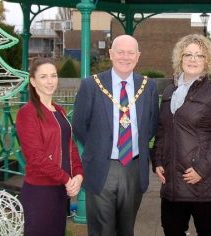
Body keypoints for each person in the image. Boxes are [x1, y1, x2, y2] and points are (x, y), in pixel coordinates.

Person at [72, 34, 159, 236]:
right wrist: (100, 146)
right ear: (111, 54)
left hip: (134, 168)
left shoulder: (148, 86)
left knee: (126, 228)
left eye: (130, 53)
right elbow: (79, 126)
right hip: (102, 167)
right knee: (102, 229)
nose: (125, 57)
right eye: (120, 52)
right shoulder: (91, 85)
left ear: (138, 56)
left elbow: (151, 125)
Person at [151, 34, 211, 236]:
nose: (193, 59)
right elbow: (162, 129)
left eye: (199, 55)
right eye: (188, 54)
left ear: (207, 61)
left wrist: (201, 169)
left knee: (207, 230)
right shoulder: (170, 92)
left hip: (203, 180)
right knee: (171, 229)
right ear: (180, 58)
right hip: (172, 179)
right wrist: (158, 160)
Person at [16, 58, 84, 236]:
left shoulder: (59, 110)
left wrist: (78, 174)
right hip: (41, 191)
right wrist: (67, 179)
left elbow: (70, 145)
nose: (50, 81)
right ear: (33, 81)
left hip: (60, 190)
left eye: (53, 76)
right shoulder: (27, 113)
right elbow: (35, 157)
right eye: (43, 76)